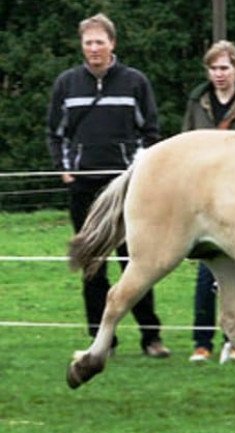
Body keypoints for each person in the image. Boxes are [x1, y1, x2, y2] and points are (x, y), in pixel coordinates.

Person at [46, 13, 170, 357]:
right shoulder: (66, 84)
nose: (94, 48)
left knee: (137, 261)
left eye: (100, 41)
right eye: (88, 42)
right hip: (84, 185)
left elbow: (151, 132)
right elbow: (56, 132)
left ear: (112, 43)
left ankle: (151, 337)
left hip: (128, 186)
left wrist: (140, 172)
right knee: (92, 264)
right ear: (81, 46)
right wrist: (64, 169)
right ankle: (102, 340)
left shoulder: (135, 82)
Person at [182, 40, 235, 362]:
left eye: (224, 68)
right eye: (213, 68)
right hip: (204, 192)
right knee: (207, 272)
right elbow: (186, 139)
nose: (218, 74)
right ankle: (202, 342)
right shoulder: (197, 100)